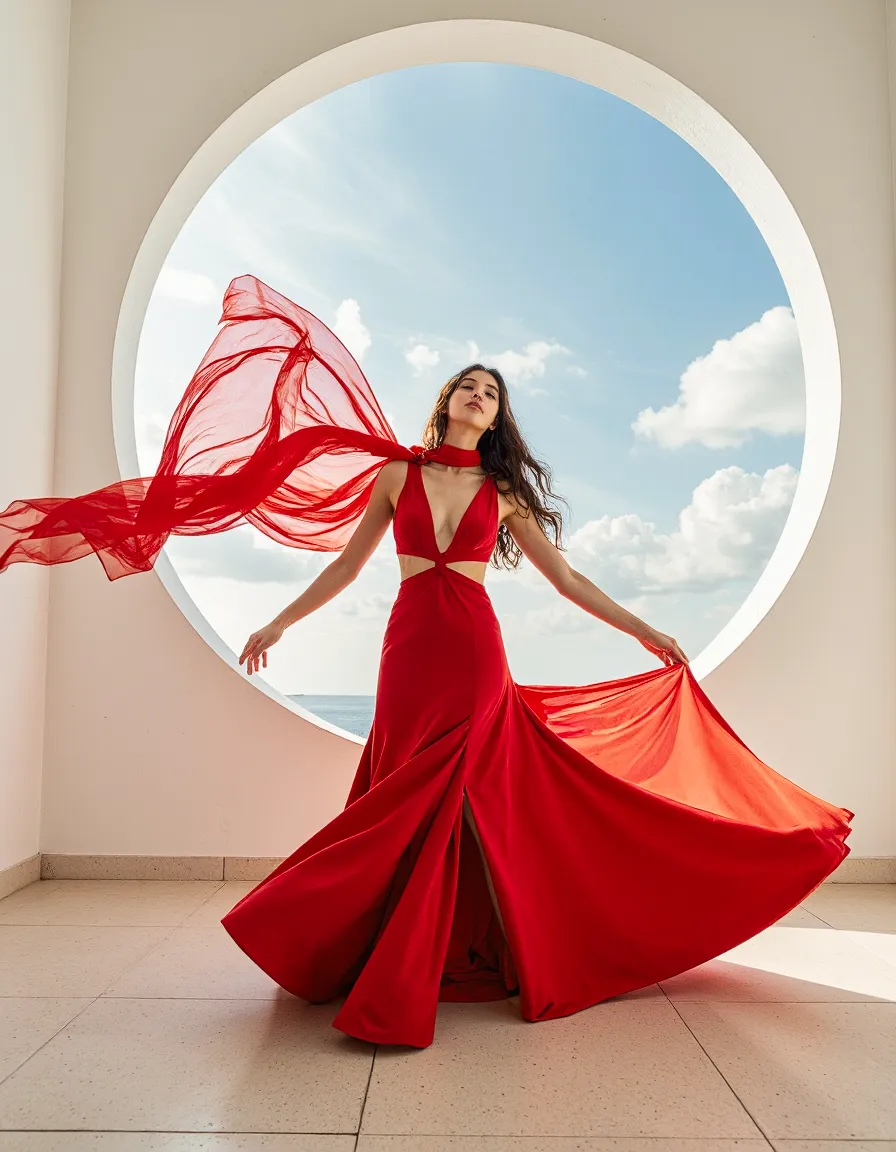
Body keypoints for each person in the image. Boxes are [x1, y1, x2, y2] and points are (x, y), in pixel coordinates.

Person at [0, 274, 853, 1050]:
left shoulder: (501, 493)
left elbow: (566, 578)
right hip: (410, 647)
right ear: (446, 401)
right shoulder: (393, 475)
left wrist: (641, 629)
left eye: (494, 394)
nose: (482, 398)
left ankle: (459, 949)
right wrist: (279, 623)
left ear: (497, 418)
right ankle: (399, 943)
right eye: (472, 387)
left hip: (476, 649)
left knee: (461, 791)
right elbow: (342, 566)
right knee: (406, 787)